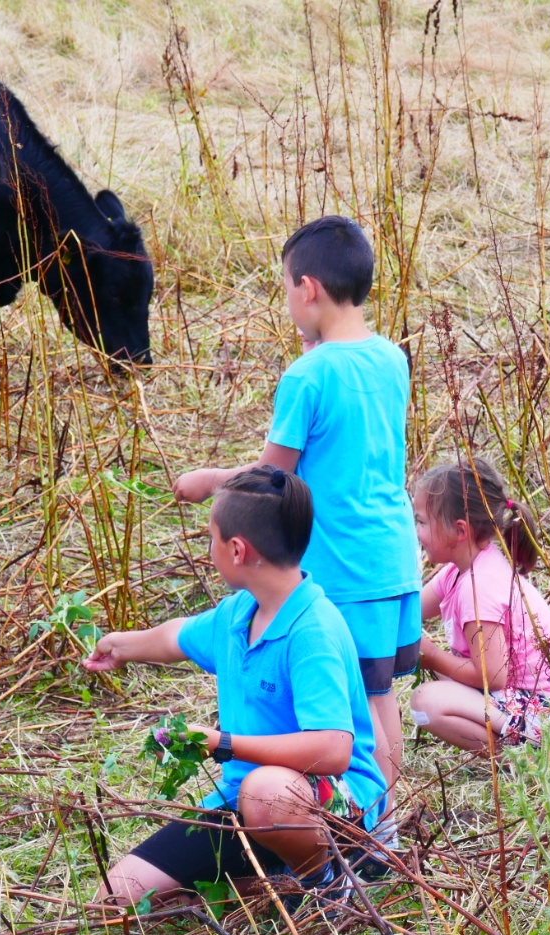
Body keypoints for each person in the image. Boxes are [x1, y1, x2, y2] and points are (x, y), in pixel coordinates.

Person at [172, 216, 420, 810]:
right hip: (393, 556)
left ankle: (371, 833)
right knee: (380, 695)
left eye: (286, 288)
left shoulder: (306, 376)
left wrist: (207, 482)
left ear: (307, 287)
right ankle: (387, 817)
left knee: (359, 719)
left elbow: (270, 479)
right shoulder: (390, 358)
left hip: (343, 566)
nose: (287, 301)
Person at [84, 467, 387, 908]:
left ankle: (329, 878)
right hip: (244, 804)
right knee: (116, 901)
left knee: (265, 792)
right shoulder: (238, 613)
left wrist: (224, 744)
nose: (209, 550)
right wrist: (121, 647)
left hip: (327, 805)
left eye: (212, 539)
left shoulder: (312, 631)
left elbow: (334, 749)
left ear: (238, 550)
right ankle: (274, 886)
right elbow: (177, 637)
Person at [409, 459, 550, 752]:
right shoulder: (459, 570)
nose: (415, 532)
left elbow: (493, 677)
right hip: (533, 701)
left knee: (426, 703)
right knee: (447, 676)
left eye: (420, 521)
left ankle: (525, 759)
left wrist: (430, 655)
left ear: (459, 531)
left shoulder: (479, 588)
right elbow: (410, 612)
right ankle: (519, 745)